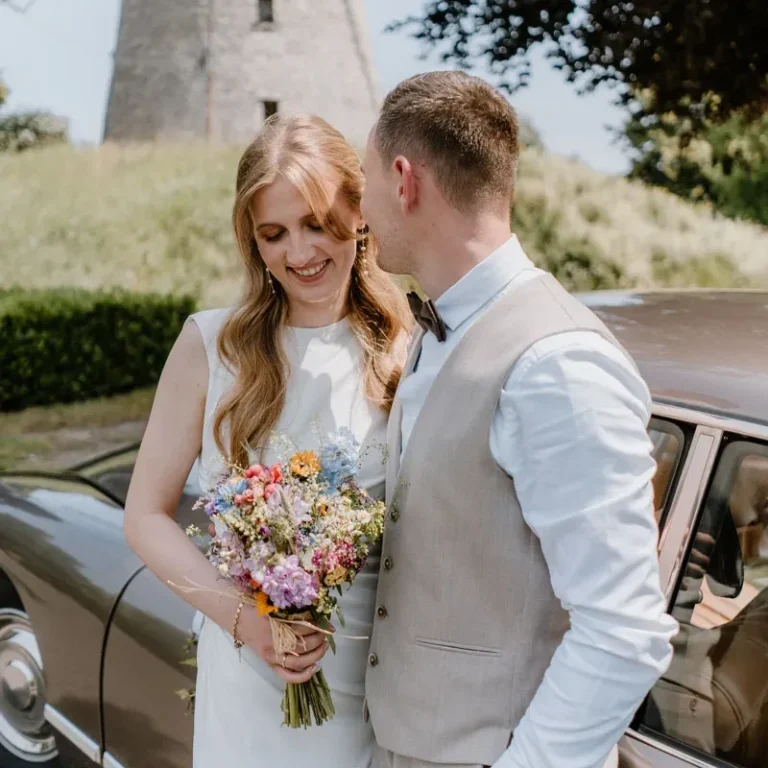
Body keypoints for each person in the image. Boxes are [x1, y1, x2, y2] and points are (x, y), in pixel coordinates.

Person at [361, 70, 679, 768]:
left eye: (365, 180)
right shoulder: (437, 329)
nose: (360, 208)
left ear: (405, 181)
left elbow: (624, 629)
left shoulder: (556, 364)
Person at [123, 114, 410, 768]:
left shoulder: (406, 352)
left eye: (316, 224)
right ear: (251, 240)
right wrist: (248, 624)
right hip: (246, 672)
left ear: (358, 211)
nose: (299, 253)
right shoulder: (209, 344)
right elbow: (144, 516)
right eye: (273, 234)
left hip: (372, 675)